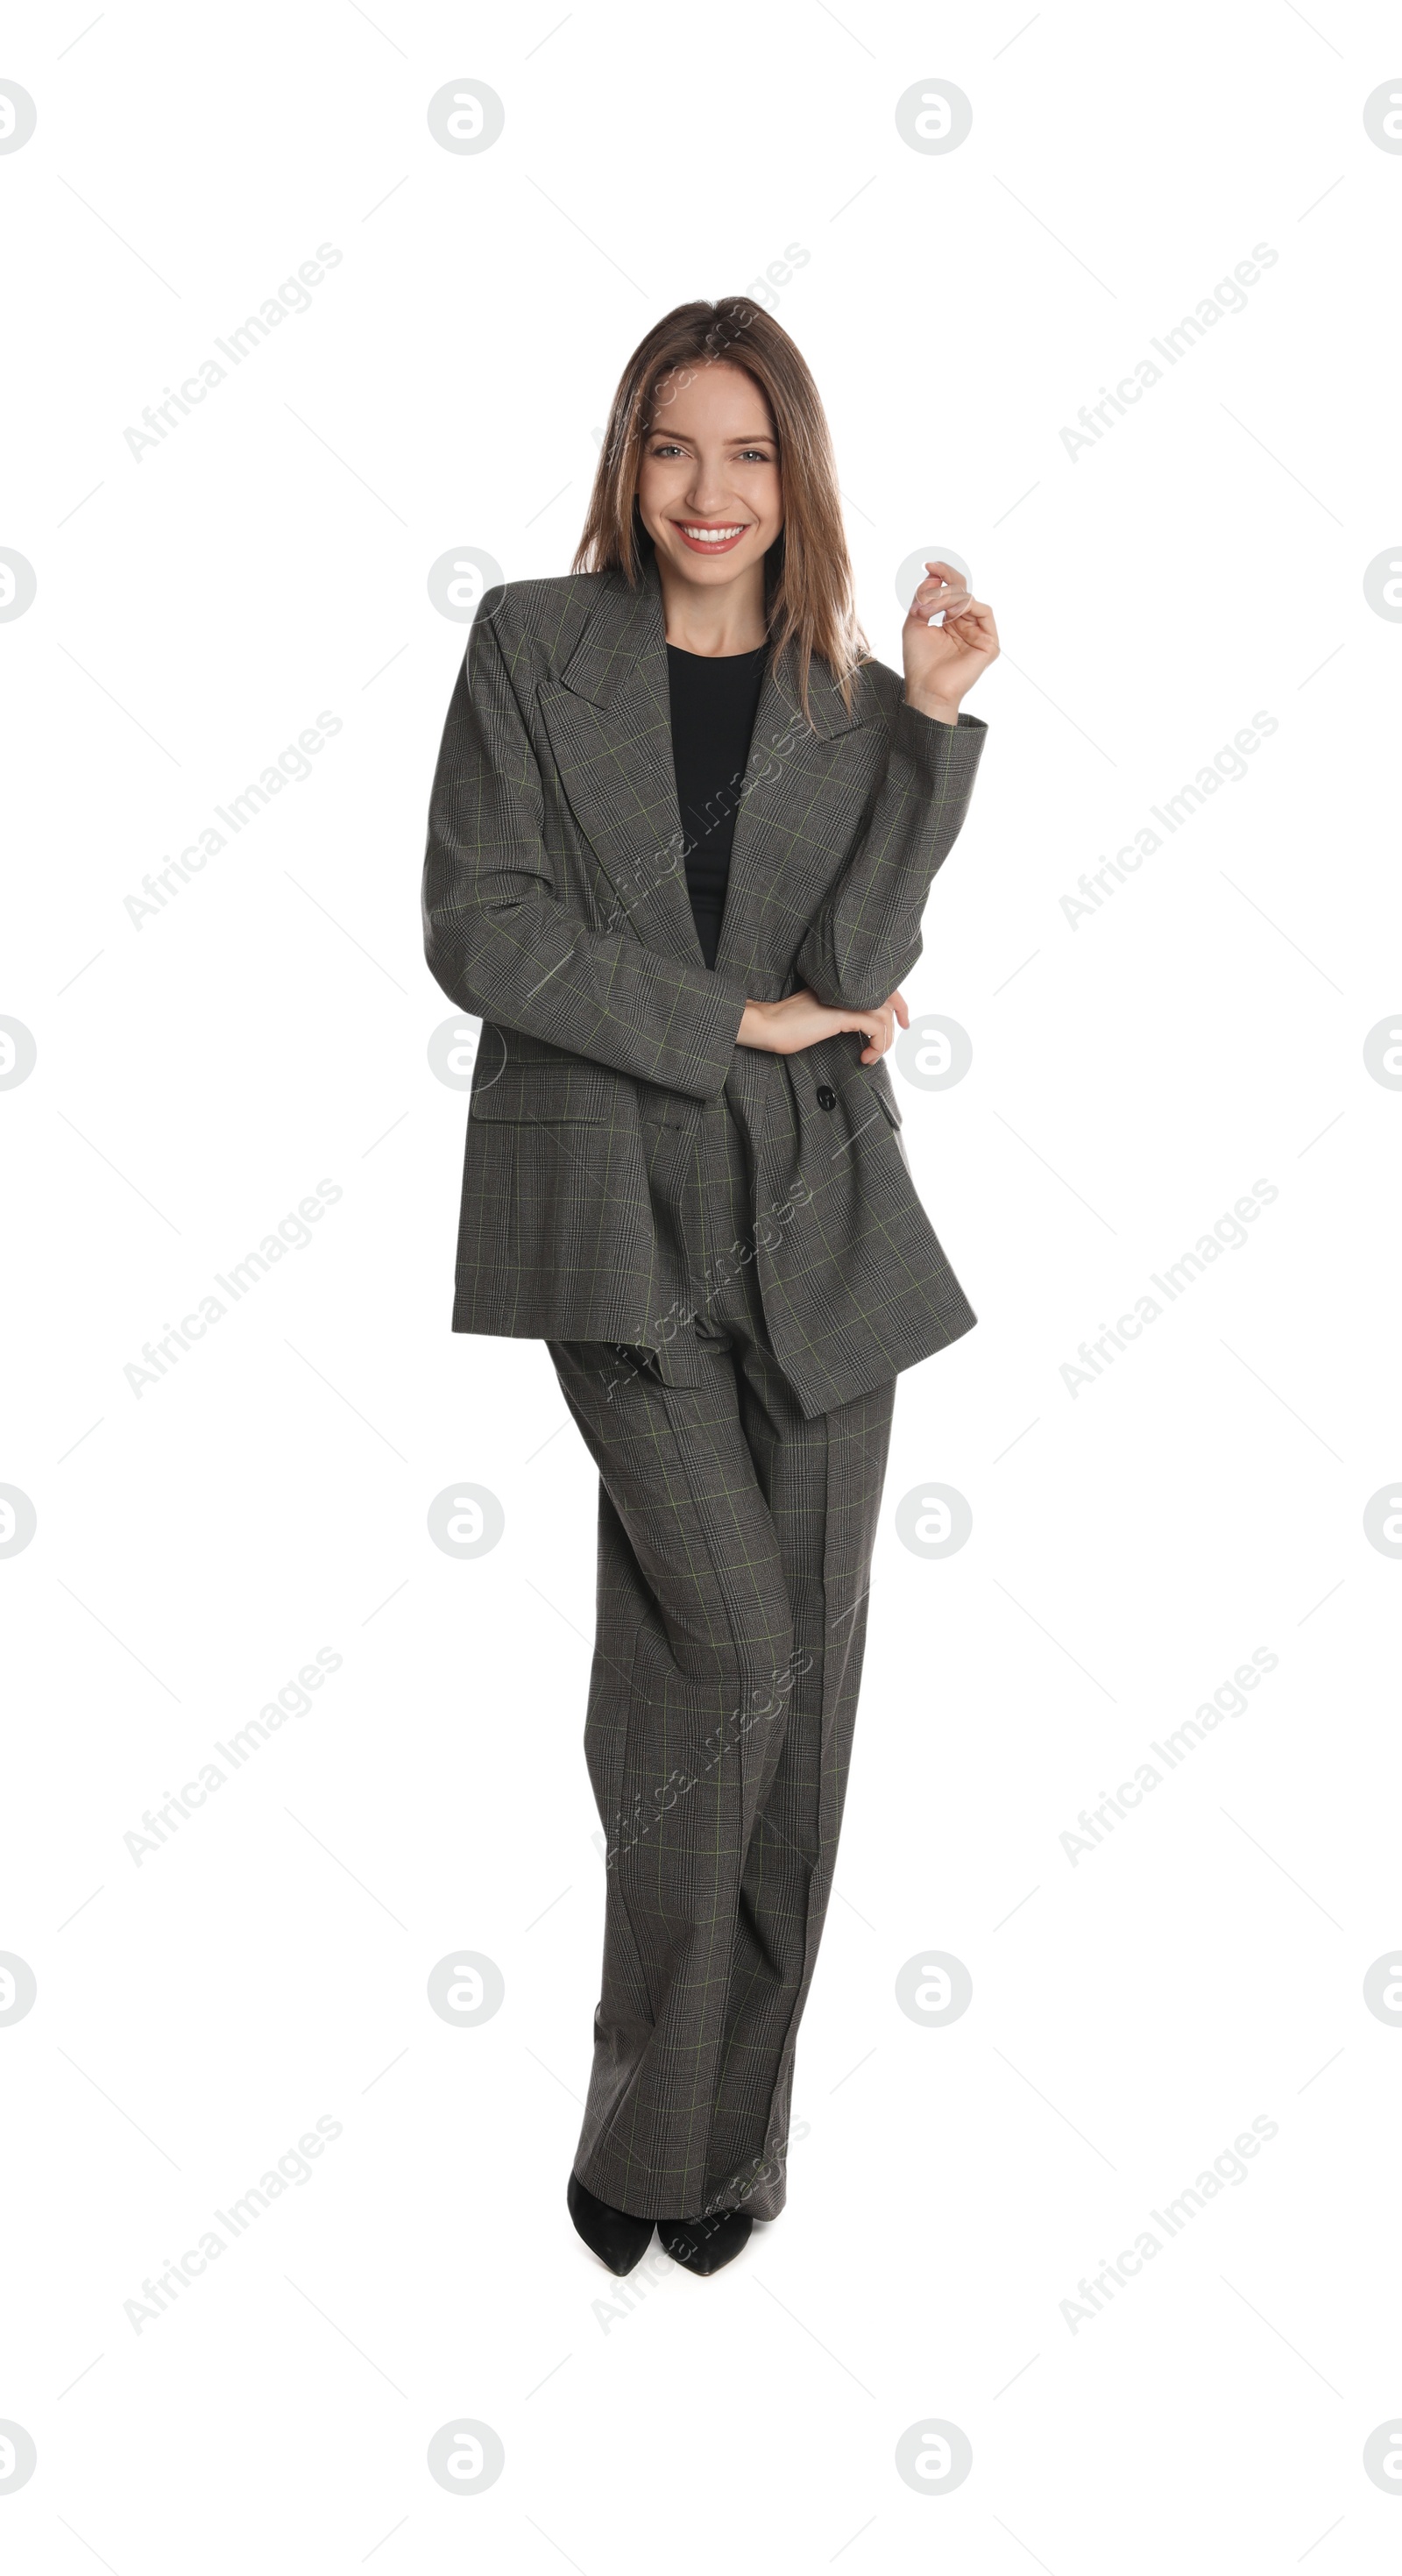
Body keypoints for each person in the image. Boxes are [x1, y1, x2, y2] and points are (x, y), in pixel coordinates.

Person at [422, 297, 998, 2278]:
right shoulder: (528, 647)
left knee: (789, 1703)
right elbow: (474, 926)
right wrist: (720, 1018)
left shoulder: (845, 699)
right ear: (625, 461)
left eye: (747, 455)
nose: (707, 493)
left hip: (821, 1230)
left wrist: (923, 718)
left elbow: (851, 954)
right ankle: (645, 2128)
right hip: (607, 1223)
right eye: (673, 449)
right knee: (730, 1661)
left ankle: (718, 2159)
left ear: (795, 475)